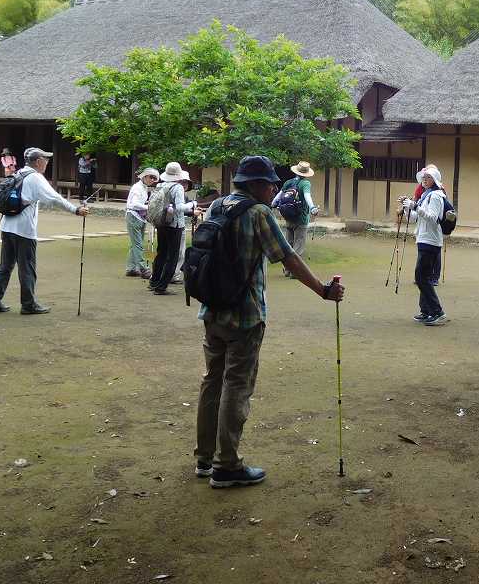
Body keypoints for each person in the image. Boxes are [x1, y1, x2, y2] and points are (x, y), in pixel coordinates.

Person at [194, 155, 345, 488]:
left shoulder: (218, 205)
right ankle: (227, 465)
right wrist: (323, 290)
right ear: (257, 185)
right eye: (271, 183)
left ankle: (205, 459)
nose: (275, 187)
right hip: (245, 315)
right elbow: (288, 255)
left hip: (212, 310)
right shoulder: (258, 213)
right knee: (237, 385)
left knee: (212, 381)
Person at [0, 147, 90, 315]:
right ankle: (28, 304)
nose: (47, 163)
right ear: (39, 161)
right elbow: (55, 198)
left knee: (5, 266)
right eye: (46, 160)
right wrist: (75, 210)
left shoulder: (18, 174)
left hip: (6, 226)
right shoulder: (35, 178)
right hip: (24, 231)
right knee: (27, 267)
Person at [400, 166, 448, 326]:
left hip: (431, 240)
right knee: (424, 276)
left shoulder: (435, 196)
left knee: (421, 277)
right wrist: (408, 207)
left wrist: (415, 207)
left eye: (427, 178)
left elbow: (433, 218)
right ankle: (426, 311)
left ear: (434, 180)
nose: (424, 180)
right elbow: (414, 218)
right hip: (424, 238)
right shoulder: (425, 195)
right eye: (423, 178)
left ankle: (437, 312)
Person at [148, 162, 200, 295]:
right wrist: (192, 204)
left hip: (161, 223)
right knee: (173, 256)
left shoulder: (160, 185)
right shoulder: (177, 188)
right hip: (174, 225)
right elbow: (180, 207)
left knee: (161, 253)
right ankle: (162, 286)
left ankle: (154, 282)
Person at [275, 161, 320, 277]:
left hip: (288, 217)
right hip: (301, 219)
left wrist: (272, 203)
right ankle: (295, 272)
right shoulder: (305, 183)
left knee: (288, 245)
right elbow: (307, 196)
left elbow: (278, 196)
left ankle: (287, 270)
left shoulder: (288, 182)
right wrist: (313, 208)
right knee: (298, 247)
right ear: (306, 173)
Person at [125, 167, 159, 278]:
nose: (152, 180)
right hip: (133, 215)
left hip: (140, 217)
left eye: (154, 178)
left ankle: (131, 268)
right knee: (138, 244)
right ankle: (143, 268)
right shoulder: (137, 188)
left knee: (134, 243)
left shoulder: (143, 188)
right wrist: (148, 206)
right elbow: (134, 204)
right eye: (151, 177)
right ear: (144, 176)